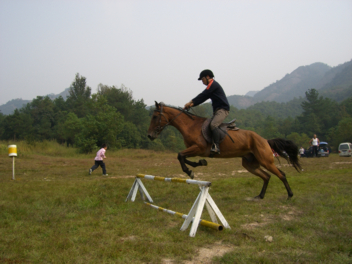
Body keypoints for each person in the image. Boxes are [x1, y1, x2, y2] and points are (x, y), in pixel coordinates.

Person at [184, 69, 230, 154]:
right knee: (208, 125)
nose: (202, 81)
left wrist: (191, 102)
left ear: (207, 77)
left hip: (223, 109)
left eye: (202, 79)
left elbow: (203, 94)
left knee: (213, 124)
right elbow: (203, 98)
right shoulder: (211, 86)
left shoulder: (212, 84)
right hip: (217, 111)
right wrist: (192, 104)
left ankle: (216, 147)